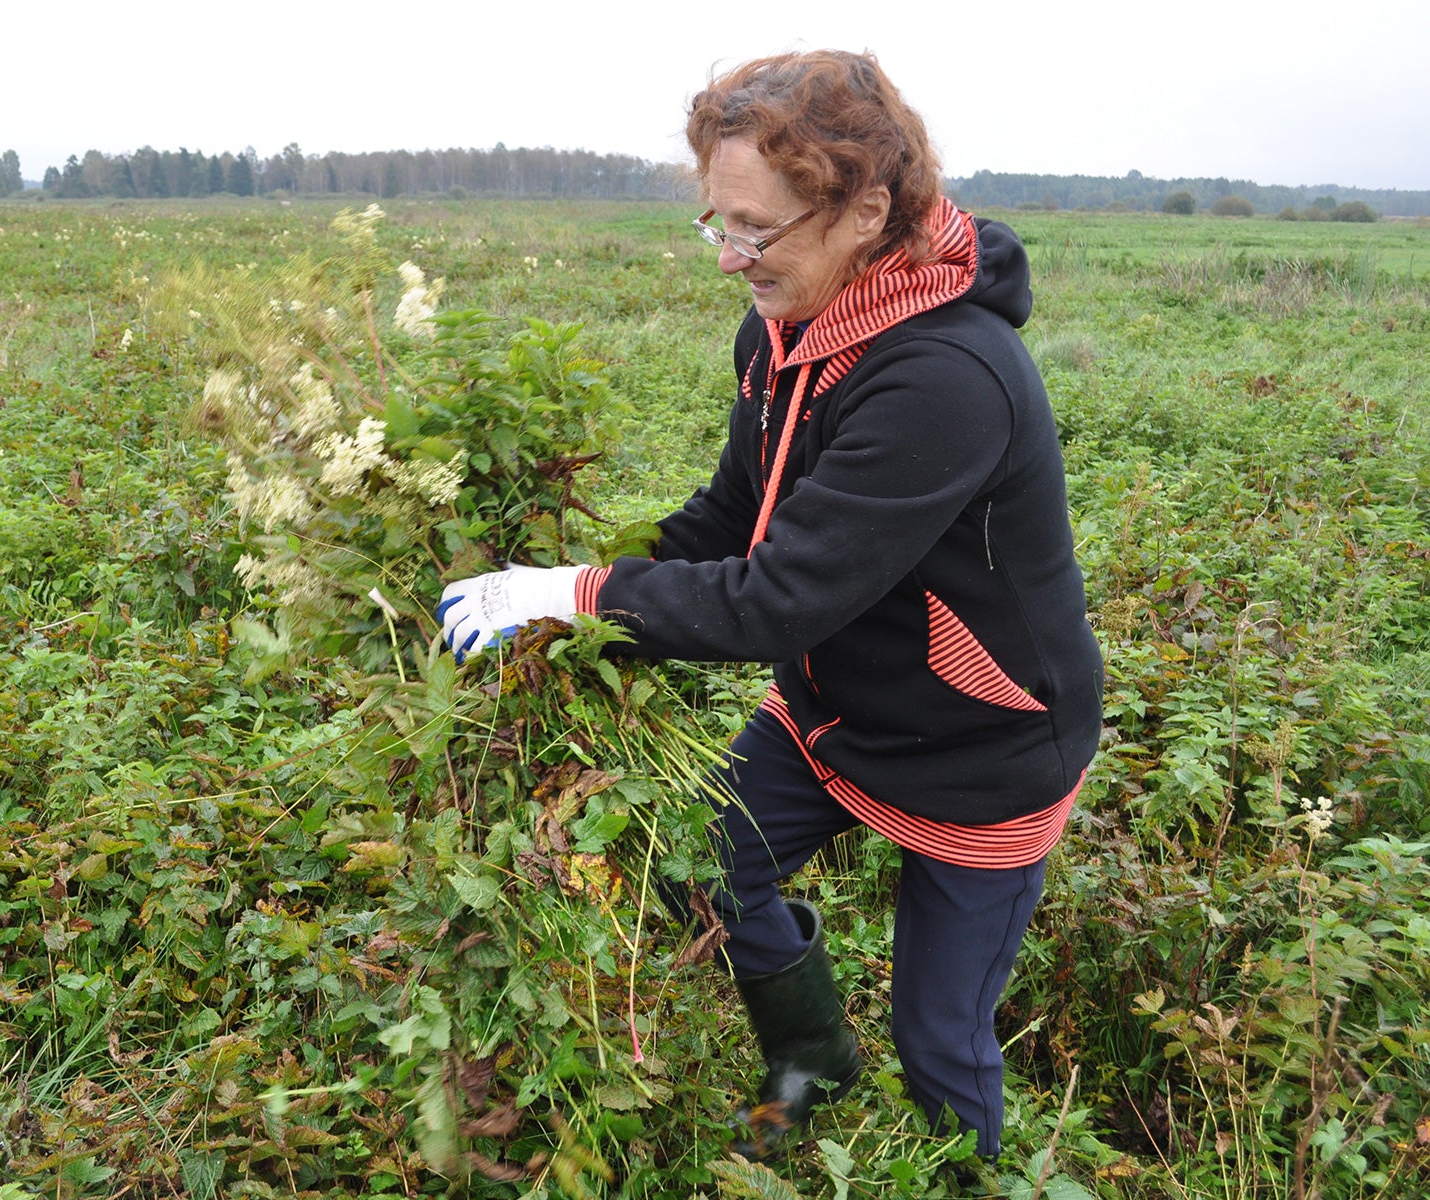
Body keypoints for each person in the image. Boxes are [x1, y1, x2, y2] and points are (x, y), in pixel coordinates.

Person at [437, 49, 1103, 1163]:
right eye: (717, 223)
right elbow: (731, 516)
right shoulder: (786, 330)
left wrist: (576, 594)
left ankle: (969, 1178)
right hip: (831, 708)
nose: (731, 259)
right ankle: (808, 1059)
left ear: (866, 211)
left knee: (939, 1038)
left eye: (758, 229)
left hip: (982, 744)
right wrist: (568, 594)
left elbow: (776, 597)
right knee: (703, 862)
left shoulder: (945, 378)